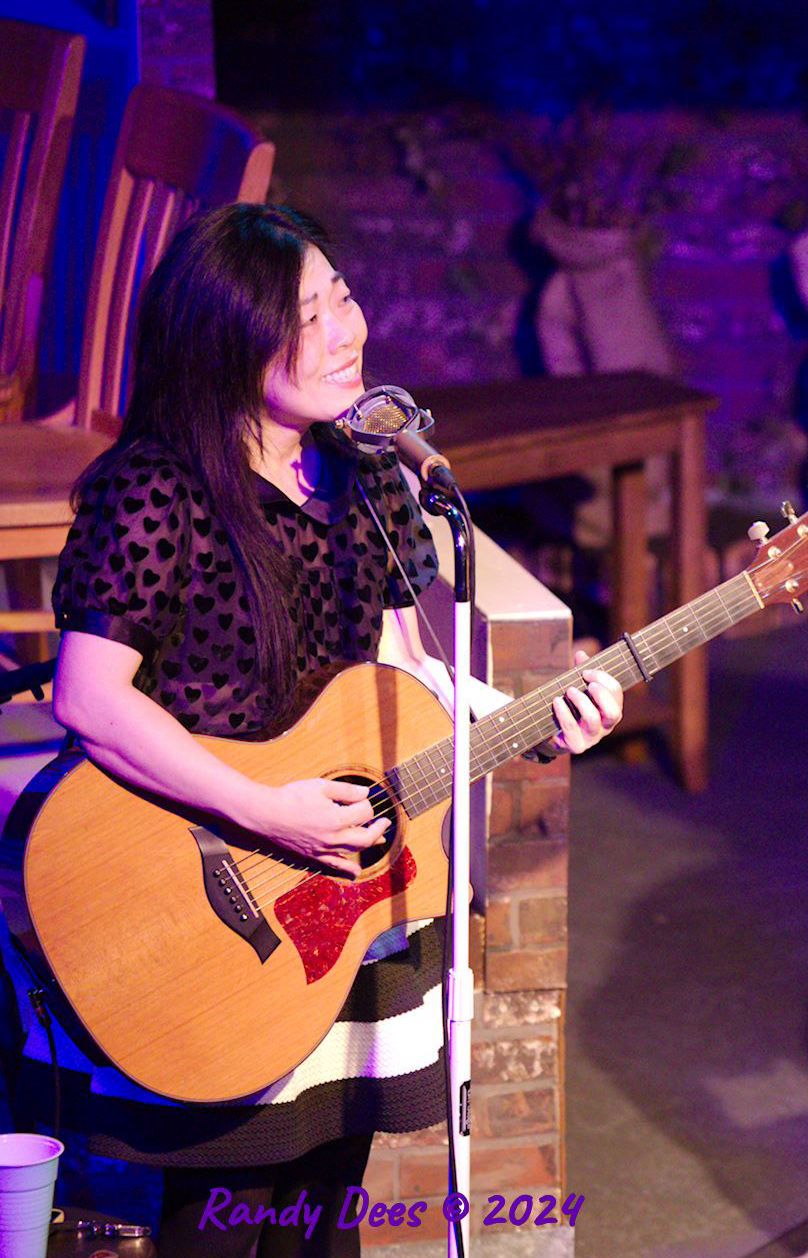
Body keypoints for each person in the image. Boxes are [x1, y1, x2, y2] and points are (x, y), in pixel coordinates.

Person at [2, 203, 624, 1256]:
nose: (350, 331)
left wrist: (543, 721)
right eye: (309, 313)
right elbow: (90, 699)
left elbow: (404, 669)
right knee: (216, 1218)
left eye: (343, 297)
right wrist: (263, 808)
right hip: (205, 880)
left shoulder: (368, 473)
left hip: (337, 886)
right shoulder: (155, 490)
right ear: (229, 339)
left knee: (326, 1209)